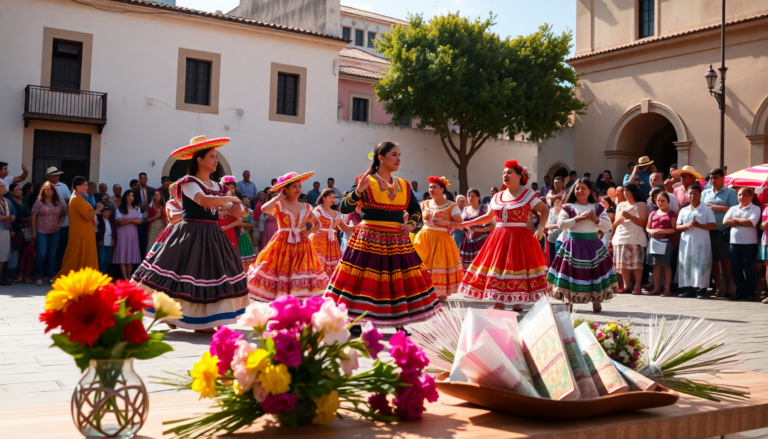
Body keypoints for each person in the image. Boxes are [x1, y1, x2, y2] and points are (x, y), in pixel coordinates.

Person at [133, 136, 249, 331]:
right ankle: (172, 313)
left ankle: (204, 319)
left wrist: (239, 207)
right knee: (182, 275)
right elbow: (203, 200)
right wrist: (228, 200)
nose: (216, 160)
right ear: (199, 160)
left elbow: (233, 209)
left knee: (209, 276)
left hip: (213, 235)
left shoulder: (218, 187)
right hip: (190, 233)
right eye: (212, 156)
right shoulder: (188, 182)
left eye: (216, 157)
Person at [326, 141, 440, 331]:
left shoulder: (403, 185)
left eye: (399, 154)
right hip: (369, 237)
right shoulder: (365, 180)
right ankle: (355, 320)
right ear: (381, 157)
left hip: (397, 238)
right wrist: (359, 190)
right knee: (363, 279)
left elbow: (415, 209)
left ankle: (399, 322)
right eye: (394, 154)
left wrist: (411, 224)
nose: (398, 159)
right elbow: (345, 207)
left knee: (397, 280)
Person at [457, 160, 549, 311]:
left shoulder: (527, 194)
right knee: (498, 271)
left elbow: (545, 209)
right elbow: (488, 217)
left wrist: (540, 227)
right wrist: (465, 224)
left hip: (520, 239)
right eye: (504, 173)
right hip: (499, 239)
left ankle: (517, 300)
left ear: (520, 175)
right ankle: (499, 306)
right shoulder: (497, 196)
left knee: (516, 269)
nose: (505, 175)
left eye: (509, 172)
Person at [247, 171, 328, 301]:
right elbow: (264, 209)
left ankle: (297, 303)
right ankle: (283, 304)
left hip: (302, 244)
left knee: (300, 272)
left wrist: (309, 232)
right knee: (281, 271)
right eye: (294, 186)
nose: (298, 189)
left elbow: (317, 224)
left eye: (299, 186)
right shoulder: (279, 204)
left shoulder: (306, 206)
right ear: (286, 189)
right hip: (282, 242)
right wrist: (279, 197)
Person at [547, 179, 617, 312]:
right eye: (577, 188)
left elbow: (608, 225)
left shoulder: (598, 207)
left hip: (593, 246)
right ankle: (570, 301)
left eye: (583, 188)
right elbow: (561, 224)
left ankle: (596, 301)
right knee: (571, 273)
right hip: (573, 245)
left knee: (594, 272)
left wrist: (596, 220)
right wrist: (577, 219)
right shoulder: (568, 207)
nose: (580, 191)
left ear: (590, 191)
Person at [413, 176, 464, 301]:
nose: (431, 189)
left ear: (442, 189)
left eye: (434, 187)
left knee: (439, 266)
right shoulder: (423, 204)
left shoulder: (451, 206)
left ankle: (440, 291)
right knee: (421, 263)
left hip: (441, 240)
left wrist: (445, 223)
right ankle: (423, 291)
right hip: (424, 239)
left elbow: (460, 225)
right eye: (430, 187)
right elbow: (412, 216)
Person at [56, 176, 103, 278]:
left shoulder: (79, 198)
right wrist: (97, 210)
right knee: (78, 254)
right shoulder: (76, 199)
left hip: (85, 230)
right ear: (77, 187)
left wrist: (94, 218)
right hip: (81, 232)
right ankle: (72, 276)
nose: (87, 187)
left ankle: (85, 277)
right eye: (85, 185)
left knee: (84, 254)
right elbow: (87, 216)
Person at [702, 168, 738, 298]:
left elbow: (735, 209)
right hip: (708, 231)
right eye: (711, 178)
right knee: (713, 261)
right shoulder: (705, 193)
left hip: (724, 231)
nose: (712, 180)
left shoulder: (730, 192)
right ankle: (717, 288)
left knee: (725, 261)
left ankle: (728, 288)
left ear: (723, 178)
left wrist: (718, 207)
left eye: (715, 177)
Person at [676, 185, 717, 299]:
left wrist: (700, 225)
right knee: (687, 262)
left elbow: (713, 225)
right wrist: (687, 225)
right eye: (690, 194)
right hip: (686, 241)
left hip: (701, 242)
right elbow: (678, 227)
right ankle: (689, 288)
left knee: (701, 262)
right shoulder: (684, 210)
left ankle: (702, 289)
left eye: (695, 193)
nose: (692, 196)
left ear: (700, 195)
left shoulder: (706, 209)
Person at [724, 187, 760, 301]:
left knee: (748, 268)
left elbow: (750, 222)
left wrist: (734, 219)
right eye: (739, 195)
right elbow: (725, 221)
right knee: (736, 268)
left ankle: (750, 292)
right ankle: (740, 291)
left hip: (749, 244)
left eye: (744, 195)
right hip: (734, 243)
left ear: (751, 196)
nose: (741, 197)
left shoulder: (755, 208)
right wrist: (741, 221)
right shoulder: (734, 208)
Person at [612, 183, 648, 295]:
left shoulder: (641, 204)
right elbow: (614, 224)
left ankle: (637, 286)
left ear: (633, 192)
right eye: (624, 191)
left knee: (636, 262)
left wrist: (630, 217)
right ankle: (626, 284)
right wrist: (619, 221)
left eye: (627, 191)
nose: (625, 193)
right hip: (621, 235)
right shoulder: (620, 205)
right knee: (623, 262)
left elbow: (643, 222)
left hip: (635, 236)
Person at [311, 188, 354, 277]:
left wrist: (360, 225)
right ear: (324, 198)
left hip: (332, 243)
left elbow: (345, 228)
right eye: (330, 197)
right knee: (318, 265)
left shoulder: (336, 213)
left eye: (334, 197)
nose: (333, 200)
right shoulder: (318, 211)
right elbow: (310, 224)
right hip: (319, 241)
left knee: (332, 269)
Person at [31, 182, 66, 285]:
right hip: (41, 231)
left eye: (51, 189)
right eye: (46, 189)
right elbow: (33, 216)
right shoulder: (38, 202)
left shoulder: (58, 202)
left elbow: (63, 215)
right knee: (42, 253)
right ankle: (38, 274)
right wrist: (34, 231)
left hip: (55, 231)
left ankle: (50, 275)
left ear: (54, 191)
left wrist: (60, 224)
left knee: (52, 254)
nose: (49, 190)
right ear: (43, 190)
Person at [645, 192, 678, 296]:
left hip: (666, 242)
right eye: (658, 200)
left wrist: (662, 231)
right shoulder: (653, 213)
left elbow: (674, 229)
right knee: (655, 265)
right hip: (654, 242)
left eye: (662, 200)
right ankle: (656, 287)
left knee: (666, 266)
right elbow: (647, 227)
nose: (660, 202)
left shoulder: (672, 213)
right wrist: (651, 232)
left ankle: (667, 289)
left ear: (668, 201)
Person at [43, 167, 71, 272]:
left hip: (64, 223)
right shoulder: (44, 186)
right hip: (47, 224)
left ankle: (57, 270)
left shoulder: (63, 186)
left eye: (58, 174)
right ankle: (46, 271)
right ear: (49, 176)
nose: (57, 176)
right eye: (55, 175)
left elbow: (69, 202)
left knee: (61, 248)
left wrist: (65, 214)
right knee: (48, 250)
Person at [460, 188, 493, 270]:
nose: (470, 198)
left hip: (481, 240)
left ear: (478, 197)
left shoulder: (484, 208)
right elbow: (462, 224)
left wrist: (479, 230)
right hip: (467, 242)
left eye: (472, 196)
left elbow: (493, 225)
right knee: (467, 267)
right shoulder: (465, 209)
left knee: (482, 265)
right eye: (468, 196)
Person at [113, 189, 142, 280]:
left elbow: (140, 221)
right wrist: (133, 220)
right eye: (129, 195)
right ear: (125, 197)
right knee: (122, 253)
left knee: (131, 254)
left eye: (132, 195)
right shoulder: (120, 209)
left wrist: (127, 220)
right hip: (122, 233)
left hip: (133, 233)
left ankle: (129, 276)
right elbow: (119, 223)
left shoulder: (137, 208)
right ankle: (124, 276)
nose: (131, 197)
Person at [8, 183, 33, 283]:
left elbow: (28, 213)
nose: (20, 191)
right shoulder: (10, 201)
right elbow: (15, 217)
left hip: (26, 230)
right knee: (14, 252)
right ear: (12, 191)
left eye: (20, 189)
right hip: (14, 229)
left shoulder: (23, 201)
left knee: (25, 253)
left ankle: (24, 275)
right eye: (17, 189)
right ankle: (13, 274)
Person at [218, 176, 242, 252]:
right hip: (216, 232)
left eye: (232, 187)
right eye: (227, 187)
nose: (230, 189)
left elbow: (239, 220)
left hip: (229, 232)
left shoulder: (236, 203)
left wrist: (226, 227)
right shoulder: (216, 200)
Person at [136, 172, 155, 259]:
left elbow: (155, 201)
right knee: (140, 240)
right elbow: (132, 202)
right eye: (141, 178)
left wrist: (149, 206)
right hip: (139, 217)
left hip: (150, 216)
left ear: (147, 179)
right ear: (139, 179)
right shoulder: (134, 191)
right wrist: (138, 205)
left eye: (144, 178)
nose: (142, 180)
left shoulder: (152, 190)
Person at [0, 181, 15, 285]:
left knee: (3, 256)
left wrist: (11, 217)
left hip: (5, 229)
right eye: (0, 186)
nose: (3, 188)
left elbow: (14, 214)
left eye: (4, 186)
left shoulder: (7, 201)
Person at [237, 197, 258, 270]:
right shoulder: (229, 211)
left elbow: (252, 225)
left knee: (246, 252)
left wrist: (241, 224)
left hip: (245, 235)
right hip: (234, 234)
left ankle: (246, 270)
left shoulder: (247, 213)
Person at [96, 203, 117, 274]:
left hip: (110, 243)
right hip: (102, 242)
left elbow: (114, 232)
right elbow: (98, 232)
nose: (108, 213)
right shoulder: (99, 221)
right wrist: (99, 240)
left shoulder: (112, 221)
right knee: (102, 259)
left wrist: (114, 240)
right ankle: (99, 273)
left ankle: (104, 273)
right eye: (106, 211)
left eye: (109, 211)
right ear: (102, 212)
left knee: (107, 260)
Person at [545, 197, 563, 266]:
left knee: (560, 256)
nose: (556, 203)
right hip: (552, 236)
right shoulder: (550, 211)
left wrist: (554, 226)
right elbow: (546, 225)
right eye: (555, 201)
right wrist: (557, 225)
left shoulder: (564, 211)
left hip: (562, 237)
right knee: (552, 257)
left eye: (559, 201)